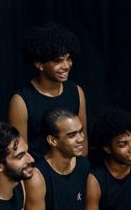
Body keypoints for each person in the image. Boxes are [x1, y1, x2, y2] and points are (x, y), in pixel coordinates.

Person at [8, 23, 87, 156]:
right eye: (58, 61)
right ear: (39, 64)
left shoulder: (76, 91)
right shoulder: (21, 100)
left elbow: (83, 145)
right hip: (36, 173)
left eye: (68, 59)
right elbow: (19, 154)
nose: (66, 66)